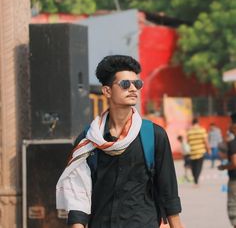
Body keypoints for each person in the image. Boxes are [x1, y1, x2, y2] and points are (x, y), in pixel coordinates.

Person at [56, 55, 183, 228]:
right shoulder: (88, 140)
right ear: (107, 91)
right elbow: (78, 198)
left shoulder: (154, 135)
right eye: (125, 84)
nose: (133, 89)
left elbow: (168, 192)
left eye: (137, 84)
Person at [218, 113, 236, 228]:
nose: (228, 125)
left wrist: (223, 167)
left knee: (233, 208)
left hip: (235, 181)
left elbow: (235, 163)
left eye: (230, 122)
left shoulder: (233, 143)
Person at [187, 118, 210, 186]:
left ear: (192, 123)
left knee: (193, 167)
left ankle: (195, 180)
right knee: (199, 167)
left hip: (192, 151)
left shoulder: (189, 131)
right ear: (198, 122)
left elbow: (188, 141)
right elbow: (205, 141)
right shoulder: (202, 130)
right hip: (200, 151)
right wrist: (208, 150)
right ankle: (196, 180)